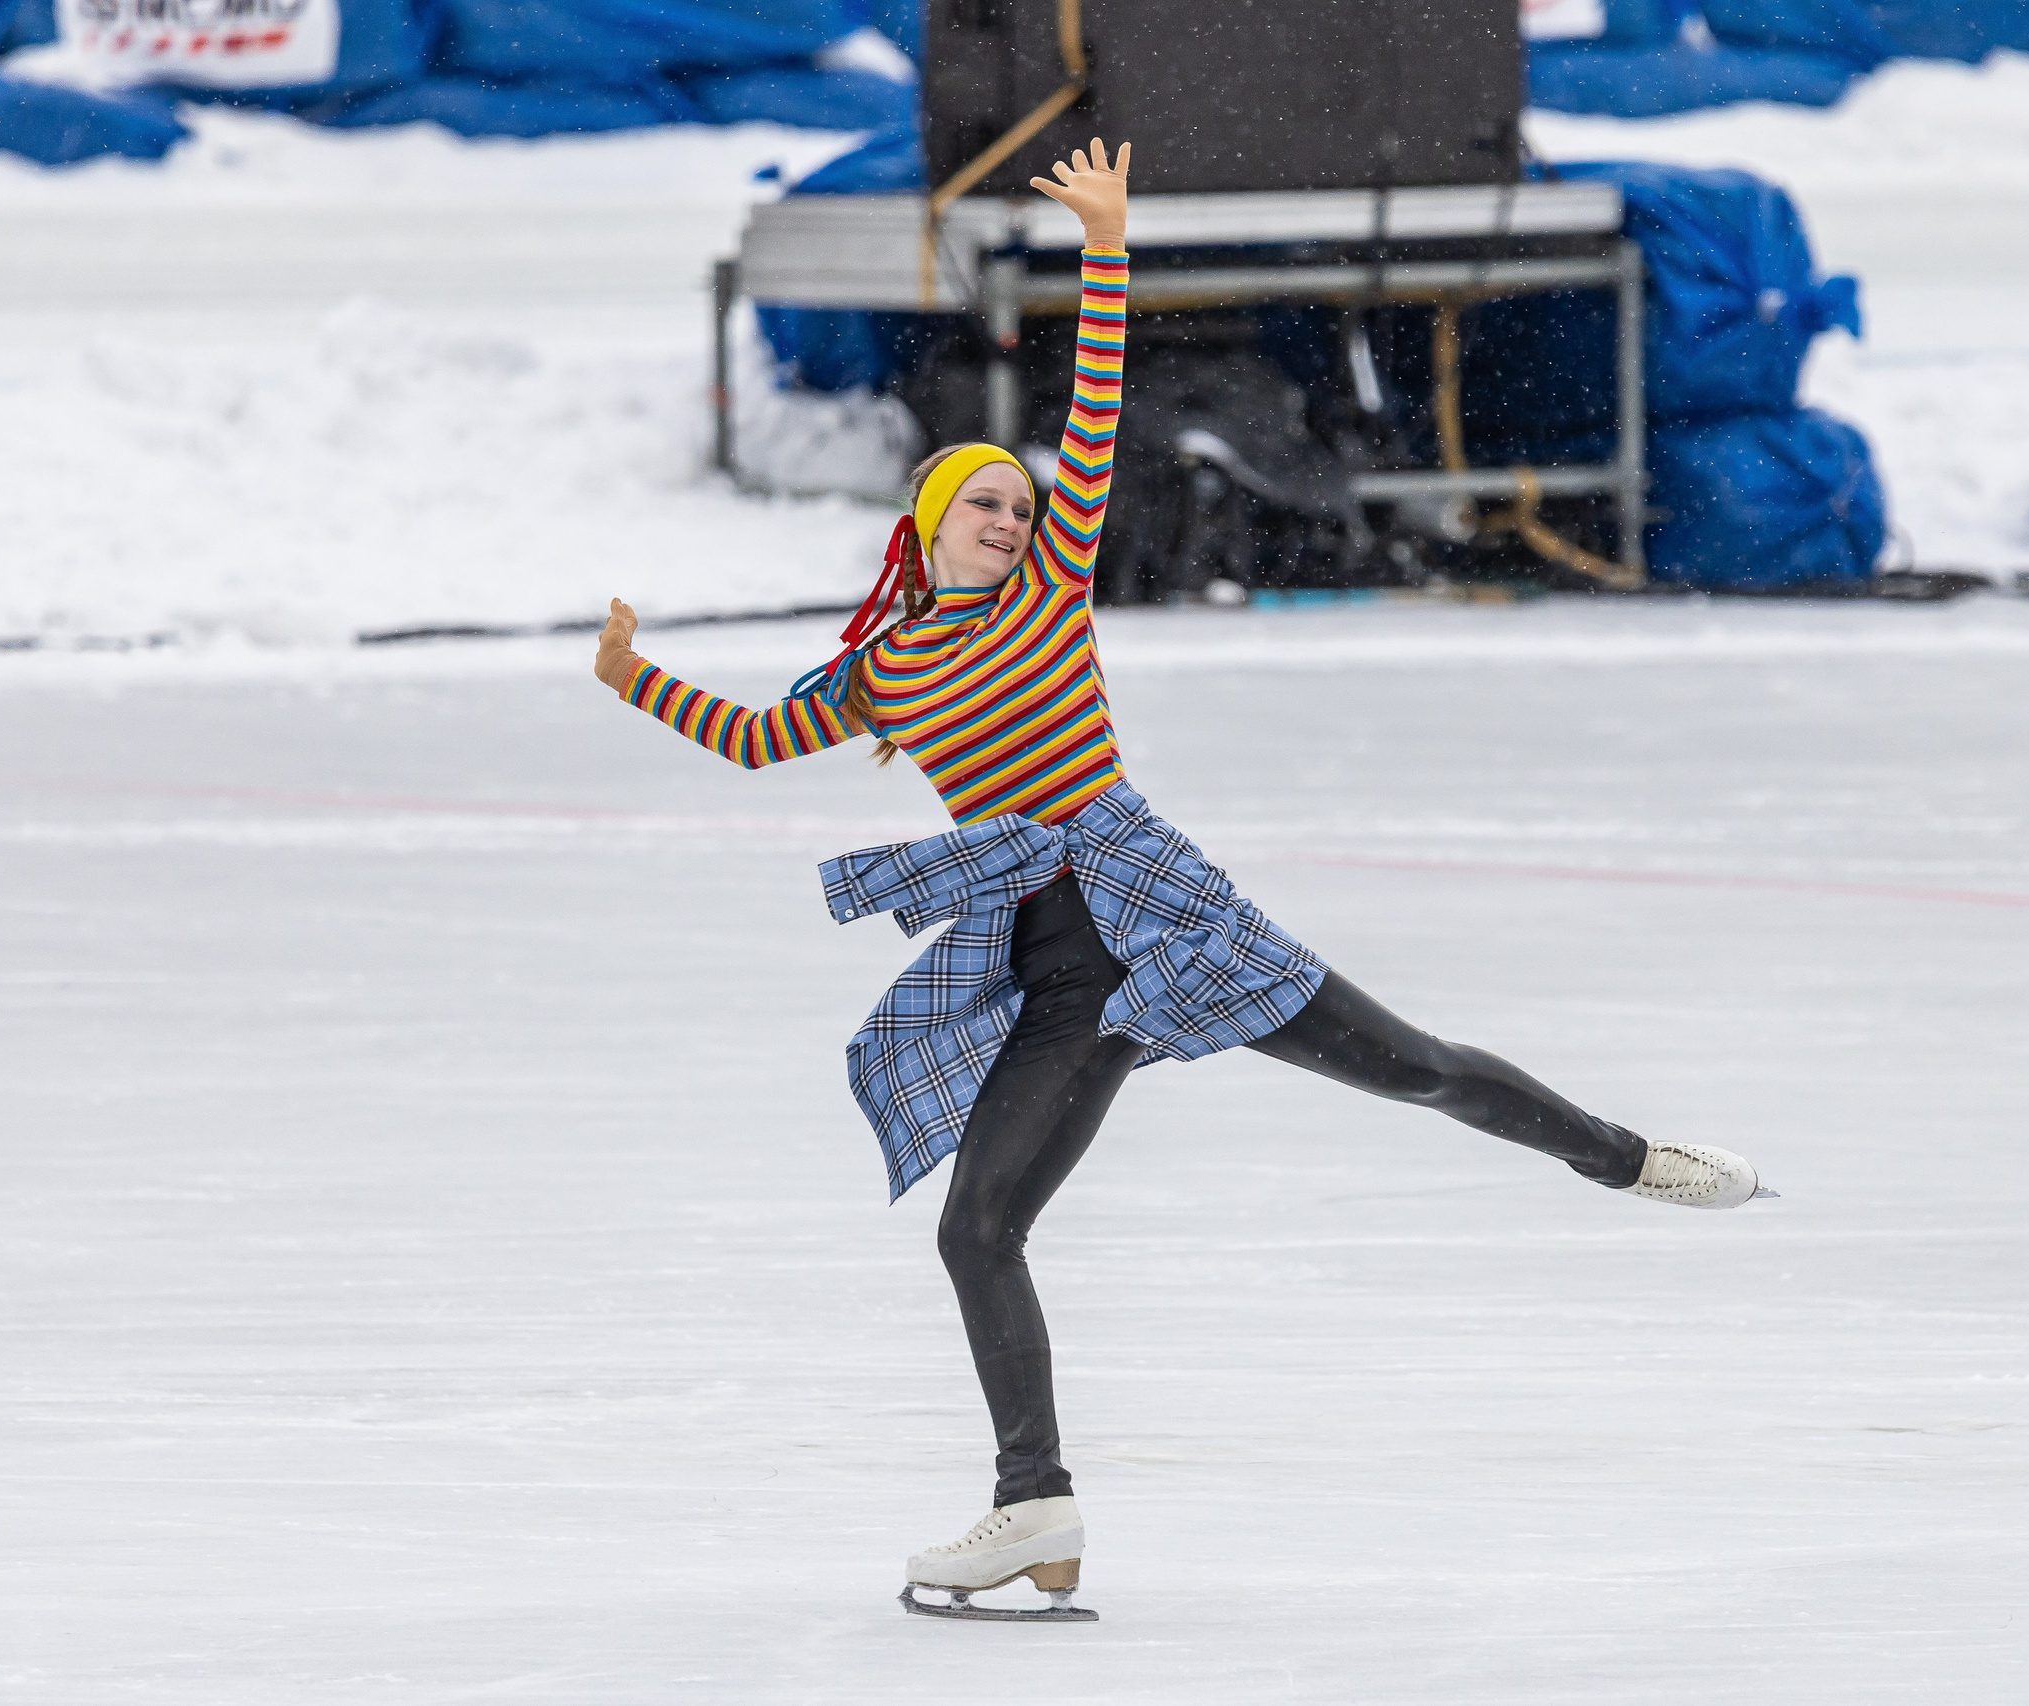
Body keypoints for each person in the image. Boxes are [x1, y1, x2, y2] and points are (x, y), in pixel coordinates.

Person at [592, 138, 1766, 1620]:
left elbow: (1094, 409)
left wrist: (1105, 243)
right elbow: (757, 735)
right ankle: (1035, 1502)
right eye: (983, 505)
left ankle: (1625, 1156)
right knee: (977, 1227)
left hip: (1160, 910)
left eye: (1018, 506)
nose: (1011, 518)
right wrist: (632, 677)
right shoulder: (884, 669)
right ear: (928, 523)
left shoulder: (1049, 591)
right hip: (1056, 958)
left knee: (1410, 1066)